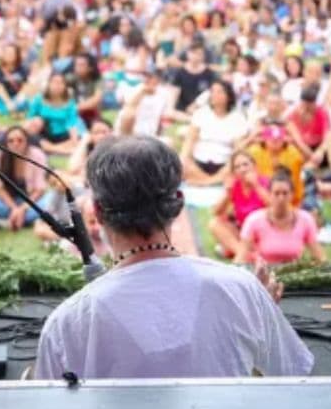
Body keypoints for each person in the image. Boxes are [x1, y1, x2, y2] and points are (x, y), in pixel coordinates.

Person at [34, 136, 313, 379]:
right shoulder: (242, 289)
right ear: (178, 202)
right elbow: (294, 383)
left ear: (96, 210)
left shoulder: (66, 325)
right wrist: (258, 313)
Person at [0, 126, 56, 231]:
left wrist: (22, 209)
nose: (15, 143)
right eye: (11, 141)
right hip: (8, 203)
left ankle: (13, 219)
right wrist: (14, 209)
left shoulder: (36, 155)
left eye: (20, 140)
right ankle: (19, 218)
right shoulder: (0, 156)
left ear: (27, 141)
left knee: (51, 200)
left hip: (32, 202)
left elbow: (39, 189)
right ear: (6, 143)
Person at [236, 170, 326, 265]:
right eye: (276, 193)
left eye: (285, 193)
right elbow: (241, 256)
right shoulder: (254, 220)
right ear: (270, 194)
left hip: (293, 273)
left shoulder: (305, 219)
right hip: (263, 273)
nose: (281, 198)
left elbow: (319, 256)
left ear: (292, 195)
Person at [180, 81, 249, 186]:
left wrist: (227, 168)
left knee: (237, 169)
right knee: (182, 164)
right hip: (199, 163)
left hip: (224, 165)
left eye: (219, 92)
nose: (214, 95)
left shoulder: (238, 119)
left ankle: (205, 182)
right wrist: (184, 159)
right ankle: (212, 182)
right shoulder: (201, 113)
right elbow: (189, 141)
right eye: (212, 91)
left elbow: (237, 150)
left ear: (228, 96)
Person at [209, 151, 270, 258]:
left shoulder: (265, 182)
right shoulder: (235, 186)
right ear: (234, 172)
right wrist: (228, 194)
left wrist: (256, 186)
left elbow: (276, 208)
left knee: (225, 249)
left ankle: (238, 253)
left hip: (266, 234)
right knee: (215, 223)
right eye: (237, 167)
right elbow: (216, 212)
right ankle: (244, 255)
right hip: (245, 235)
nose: (242, 169)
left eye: (245, 164)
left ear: (254, 166)